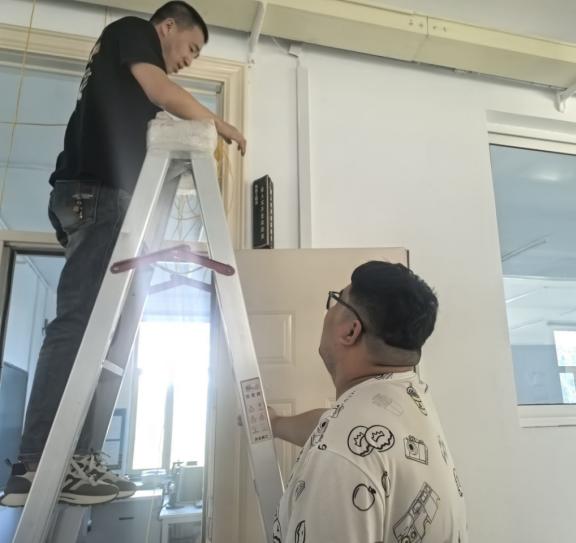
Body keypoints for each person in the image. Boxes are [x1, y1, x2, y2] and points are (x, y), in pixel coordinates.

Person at [0, 1, 246, 507]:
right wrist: (217, 124)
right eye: (192, 47)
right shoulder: (133, 31)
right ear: (167, 26)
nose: (190, 61)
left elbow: (150, 101)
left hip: (90, 196)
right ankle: (35, 463)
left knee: (105, 330)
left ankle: (76, 456)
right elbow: (161, 89)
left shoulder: (119, 81)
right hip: (96, 195)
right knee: (79, 324)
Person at [269, 261, 468, 542]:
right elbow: (334, 427)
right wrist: (275, 423)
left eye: (337, 300)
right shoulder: (408, 395)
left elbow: (341, 444)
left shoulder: (339, 458)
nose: (328, 311)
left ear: (350, 331)